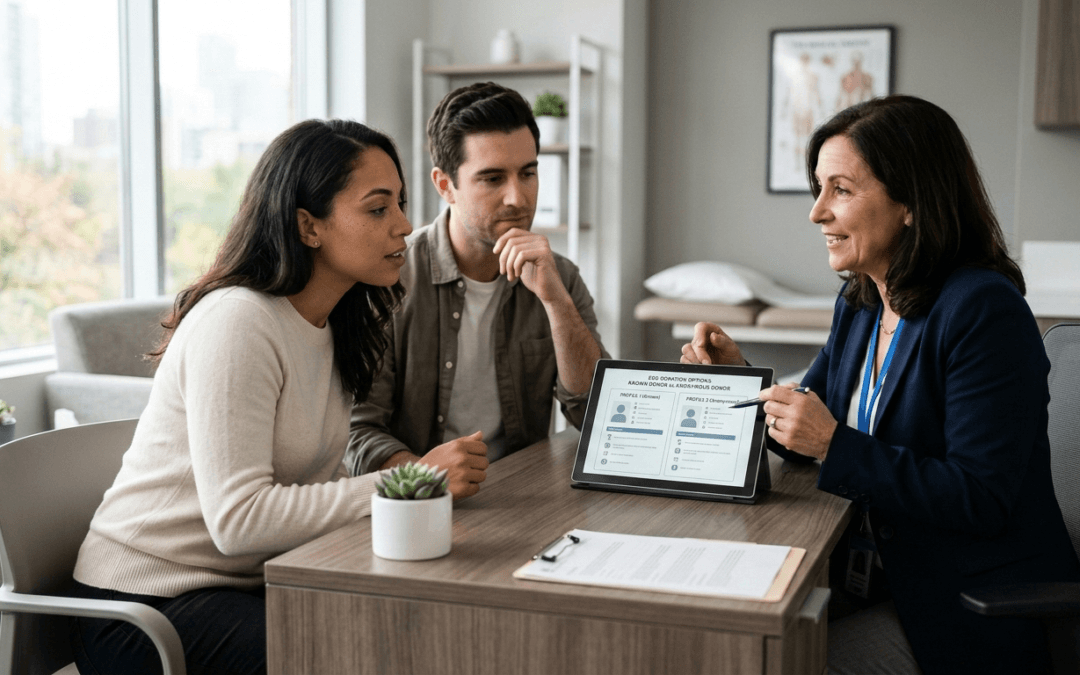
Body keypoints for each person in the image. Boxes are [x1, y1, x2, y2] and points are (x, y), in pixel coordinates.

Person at [681, 95, 1080, 674]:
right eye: (818, 188)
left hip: (957, 606)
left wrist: (833, 444)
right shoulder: (863, 301)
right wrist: (740, 384)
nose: (817, 212)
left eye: (840, 190)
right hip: (868, 579)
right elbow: (808, 427)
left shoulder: (983, 311)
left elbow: (982, 497)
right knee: (714, 641)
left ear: (912, 202)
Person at [69, 119, 429, 674]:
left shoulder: (333, 327)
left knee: (408, 624)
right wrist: (406, 483)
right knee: (356, 653)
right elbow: (239, 521)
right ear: (309, 226)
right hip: (144, 606)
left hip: (239, 587)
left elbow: (308, 488)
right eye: (378, 209)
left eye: (401, 203)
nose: (405, 225)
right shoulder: (238, 322)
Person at [346, 82, 608, 496]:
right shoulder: (389, 280)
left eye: (528, 173)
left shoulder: (560, 277)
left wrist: (556, 302)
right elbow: (358, 433)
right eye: (491, 178)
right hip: (416, 505)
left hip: (524, 500)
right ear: (445, 185)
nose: (516, 198)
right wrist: (426, 479)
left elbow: (597, 416)